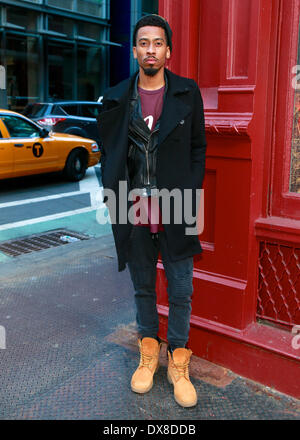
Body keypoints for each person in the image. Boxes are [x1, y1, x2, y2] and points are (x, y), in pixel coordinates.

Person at [98, 14, 206, 408]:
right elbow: (109, 154)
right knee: (143, 287)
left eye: (157, 43)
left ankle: (178, 361)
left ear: (168, 50)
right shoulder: (114, 99)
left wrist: (191, 190)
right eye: (143, 42)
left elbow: (198, 148)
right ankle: (148, 353)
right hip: (134, 209)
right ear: (134, 50)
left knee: (181, 290)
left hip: (180, 206)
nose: (150, 50)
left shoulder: (187, 93)